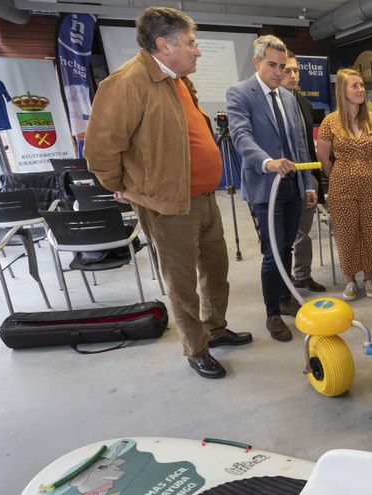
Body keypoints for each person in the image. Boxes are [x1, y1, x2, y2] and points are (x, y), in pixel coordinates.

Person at [84, 7, 252, 380]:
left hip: (205, 197)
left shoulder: (178, 79)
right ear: (164, 44)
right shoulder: (125, 84)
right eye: (191, 43)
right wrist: (121, 186)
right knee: (182, 284)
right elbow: (100, 150)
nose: (198, 51)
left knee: (216, 272)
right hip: (168, 205)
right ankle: (196, 348)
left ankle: (216, 329)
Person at [226, 35, 316, 342]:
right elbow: (241, 137)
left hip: (292, 187)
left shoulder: (288, 97)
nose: (279, 72)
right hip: (266, 187)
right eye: (272, 65)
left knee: (287, 245)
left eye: (282, 66)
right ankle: (272, 313)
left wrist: (307, 183)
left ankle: (284, 296)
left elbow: (299, 145)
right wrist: (268, 162)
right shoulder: (241, 93)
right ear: (257, 62)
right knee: (271, 251)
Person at [316, 68, 372, 301]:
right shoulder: (330, 122)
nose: (361, 90)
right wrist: (342, 174)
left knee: (371, 231)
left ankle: (368, 278)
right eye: (354, 85)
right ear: (342, 90)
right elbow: (324, 159)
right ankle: (350, 280)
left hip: (371, 186)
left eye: (362, 85)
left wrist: (365, 172)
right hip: (341, 187)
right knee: (346, 234)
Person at [282, 50, 327, 293]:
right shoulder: (272, 103)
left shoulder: (304, 103)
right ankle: (283, 282)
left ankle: (302, 275)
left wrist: (312, 180)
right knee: (284, 235)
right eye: (287, 70)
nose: (293, 75)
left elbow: (306, 144)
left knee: (303, 232)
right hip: (281, 179)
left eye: (296, 70)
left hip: (306, 176)